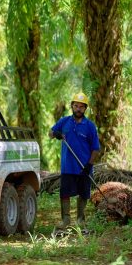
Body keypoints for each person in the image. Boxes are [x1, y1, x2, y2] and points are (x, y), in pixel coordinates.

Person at [49, 92, 100, 229]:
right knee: (65, 193)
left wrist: (89, 165)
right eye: (76, 106)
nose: (78, 109)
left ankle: (80, 219)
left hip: (84, 167)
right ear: (72, 106)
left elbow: (95, 148)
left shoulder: (90, 126)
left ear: (85, 109)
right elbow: (50, 133)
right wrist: (56, 134)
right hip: (68, 167)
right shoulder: (64, 121)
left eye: (81, 107)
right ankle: (65, 220)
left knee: (83, 194)